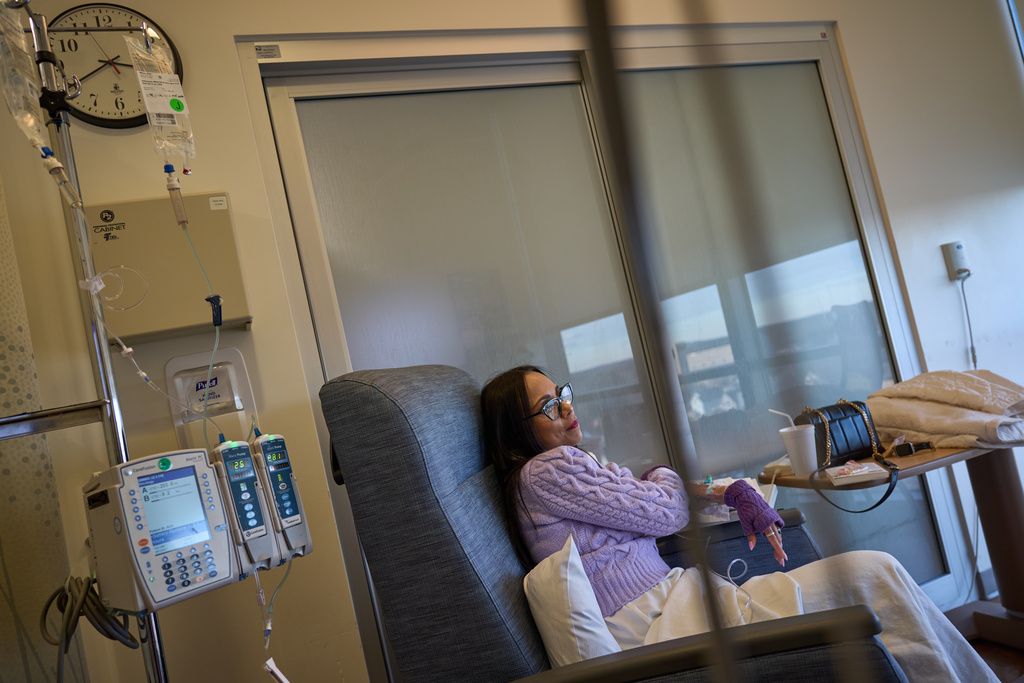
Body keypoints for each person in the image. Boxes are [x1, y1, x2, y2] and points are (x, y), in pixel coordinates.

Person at [480, 365, 998, 683]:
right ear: (514, 434)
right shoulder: (545, 472)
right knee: (873, 574)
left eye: (562, 392)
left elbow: (643, 497)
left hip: (671, 602)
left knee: (874, 577)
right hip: (655, 625)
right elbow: (663, 508)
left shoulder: (566, 467)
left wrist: (722, 490)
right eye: (549, 406)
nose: (566, 407)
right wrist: (663, 477)